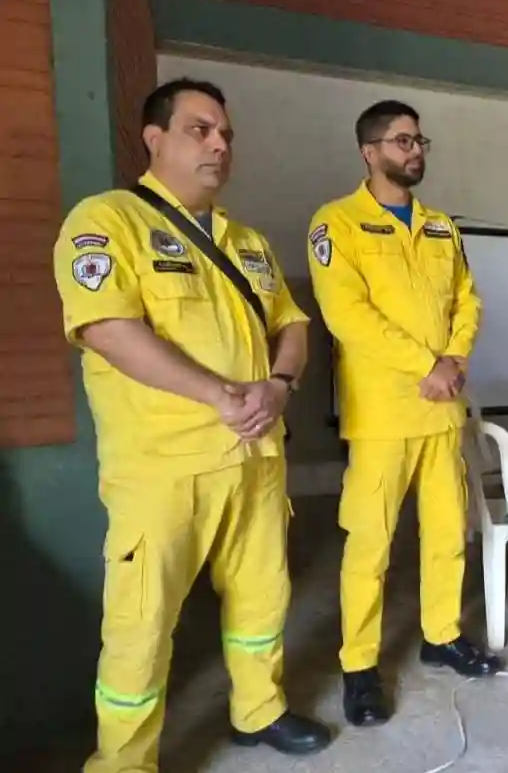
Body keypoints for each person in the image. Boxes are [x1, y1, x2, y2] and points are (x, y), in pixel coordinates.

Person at [52, 78, 331, 772]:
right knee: (140, 628)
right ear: (154, 138)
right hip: (162, 471)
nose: (219, 145)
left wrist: (279, 383)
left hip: (256, 459)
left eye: (225, 134)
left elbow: (293, 327)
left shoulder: (250, 242)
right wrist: (220, 394)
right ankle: (122, 762)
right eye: (200, 130)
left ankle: (257, 710)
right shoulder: (106, 220)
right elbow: (109, 328)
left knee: (264, 599)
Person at [307, 100, 499, 728]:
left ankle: (441, 636)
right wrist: (426, 363)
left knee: (448, 535)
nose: (414, 151)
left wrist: (455, 356)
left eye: (419, 140)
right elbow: (348, 316)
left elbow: (468, 300)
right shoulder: (336, 224)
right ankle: (359, 666)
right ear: (370, 152)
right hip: (385, 417)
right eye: (401, 141)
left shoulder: (441, 226)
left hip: (442, 412)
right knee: (370, 546)